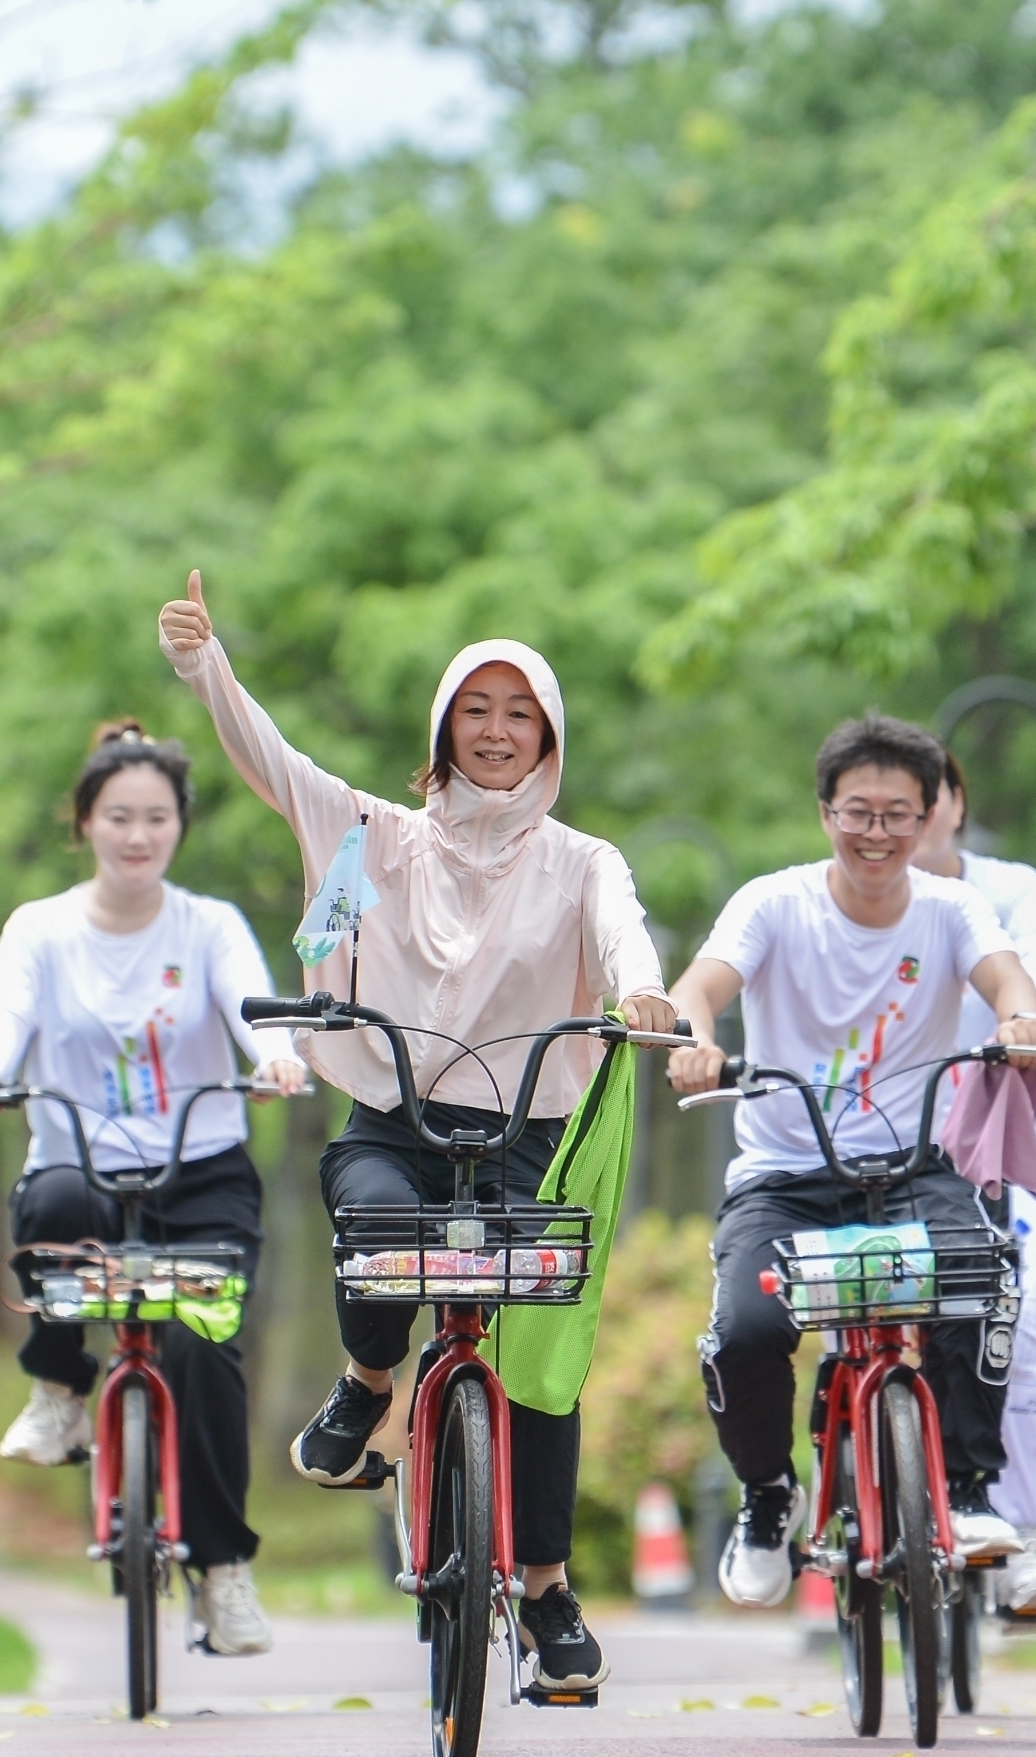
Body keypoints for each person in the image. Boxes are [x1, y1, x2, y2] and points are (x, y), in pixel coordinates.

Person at [158, 572, 676, 1695]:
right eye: (475, 711)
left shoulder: (583, 860)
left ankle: (544, 1593)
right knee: (380, 1226)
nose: (496, 732)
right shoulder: (376, 837)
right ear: (445, 727)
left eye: (519, 713)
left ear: (547, 735)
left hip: (530, 1134)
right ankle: (364, 1381)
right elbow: (274, 763)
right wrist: (208, 666)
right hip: (394, 1119)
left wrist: (643, 993)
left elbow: (625, 935)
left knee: (538, 1355)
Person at [664, 714, 1036, 1610]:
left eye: (896, 814)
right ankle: (769, 1494)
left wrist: (1021, 1023)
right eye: (857, 812)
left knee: (983, 1279)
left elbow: (1007, 979)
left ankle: (966, 1491)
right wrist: (692, 1038)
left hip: (915, 1166)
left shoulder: (952, 907)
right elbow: (702, 987)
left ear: (929, 821)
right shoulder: (774, 904)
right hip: (783, 1178)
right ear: (824, 814)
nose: (875, 833)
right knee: (747, 1333)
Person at [0, 719, 312, 1659]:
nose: (138, 835)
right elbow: (5, 1020)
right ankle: (60, 1386)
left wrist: (275, 1058)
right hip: (80, 1172)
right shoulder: (41, 928)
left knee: (203, 1350)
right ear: (84, 823)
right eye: (119, 817)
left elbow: (250, 1006)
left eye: (157, 817)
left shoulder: (210, 926)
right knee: (55, 1204)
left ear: (180, 826)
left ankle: (224, 1573)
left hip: (203, 1171)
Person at [915, 749, 1036, 1620]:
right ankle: (863, 1490)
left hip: (1010, 1137)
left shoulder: (1008, 891)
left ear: (956, 803)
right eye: (871, 808)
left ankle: (1024, 1538)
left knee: (1018, 1317)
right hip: (882, 1150)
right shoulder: (821, 902)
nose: (895, 825)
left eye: (917, 802)